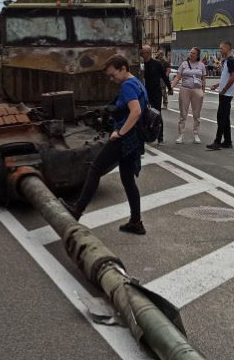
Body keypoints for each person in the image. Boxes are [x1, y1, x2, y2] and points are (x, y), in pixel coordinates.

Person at [62, 55, 146, 234]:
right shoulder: (138, 83)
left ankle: (77, 210)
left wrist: (120, 132)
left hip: (125, 138)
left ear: (123, 68)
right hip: (135, 139)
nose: (112, 78)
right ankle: (136, 222)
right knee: (128, 180)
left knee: (95, 168)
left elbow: (136, 111)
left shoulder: (128, 85)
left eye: (113, 74)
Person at [171, 47, 206, 144]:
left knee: (196, 114)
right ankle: (181, 134)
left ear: (197, 55)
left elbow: (203, 79)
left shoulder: (201, 65)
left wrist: (203, 91)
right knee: (183, 113)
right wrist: (171, 87)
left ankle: (196, 134)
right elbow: (178, 77)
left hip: (197, 90)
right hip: (185, 89)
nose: (191, 54)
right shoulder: (184, 64)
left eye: (193, 53)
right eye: (190, 52)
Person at [206, 41, 234, 150]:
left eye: (221, 48)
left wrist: (224, 89)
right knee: (225, 118)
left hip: (226, 94)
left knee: (221, 117)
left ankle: (217, 142)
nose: (220, 50)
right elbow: (226, 77)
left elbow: (232, 78)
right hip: (225, 92)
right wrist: (218, 85)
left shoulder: (230, 61)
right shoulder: (227, 61)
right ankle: (228, 141)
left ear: (227, 48)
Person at [139, 45, 172, 146]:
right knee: (144, 114)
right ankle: (146, 136)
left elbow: (164, 76)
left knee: (157, 114)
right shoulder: (141, 65)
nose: (141, 54)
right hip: (145, 92)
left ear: (147, 53)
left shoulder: (156, 64)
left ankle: (160, 138)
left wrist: (169, 88)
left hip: (156, 92)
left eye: (142, 53)